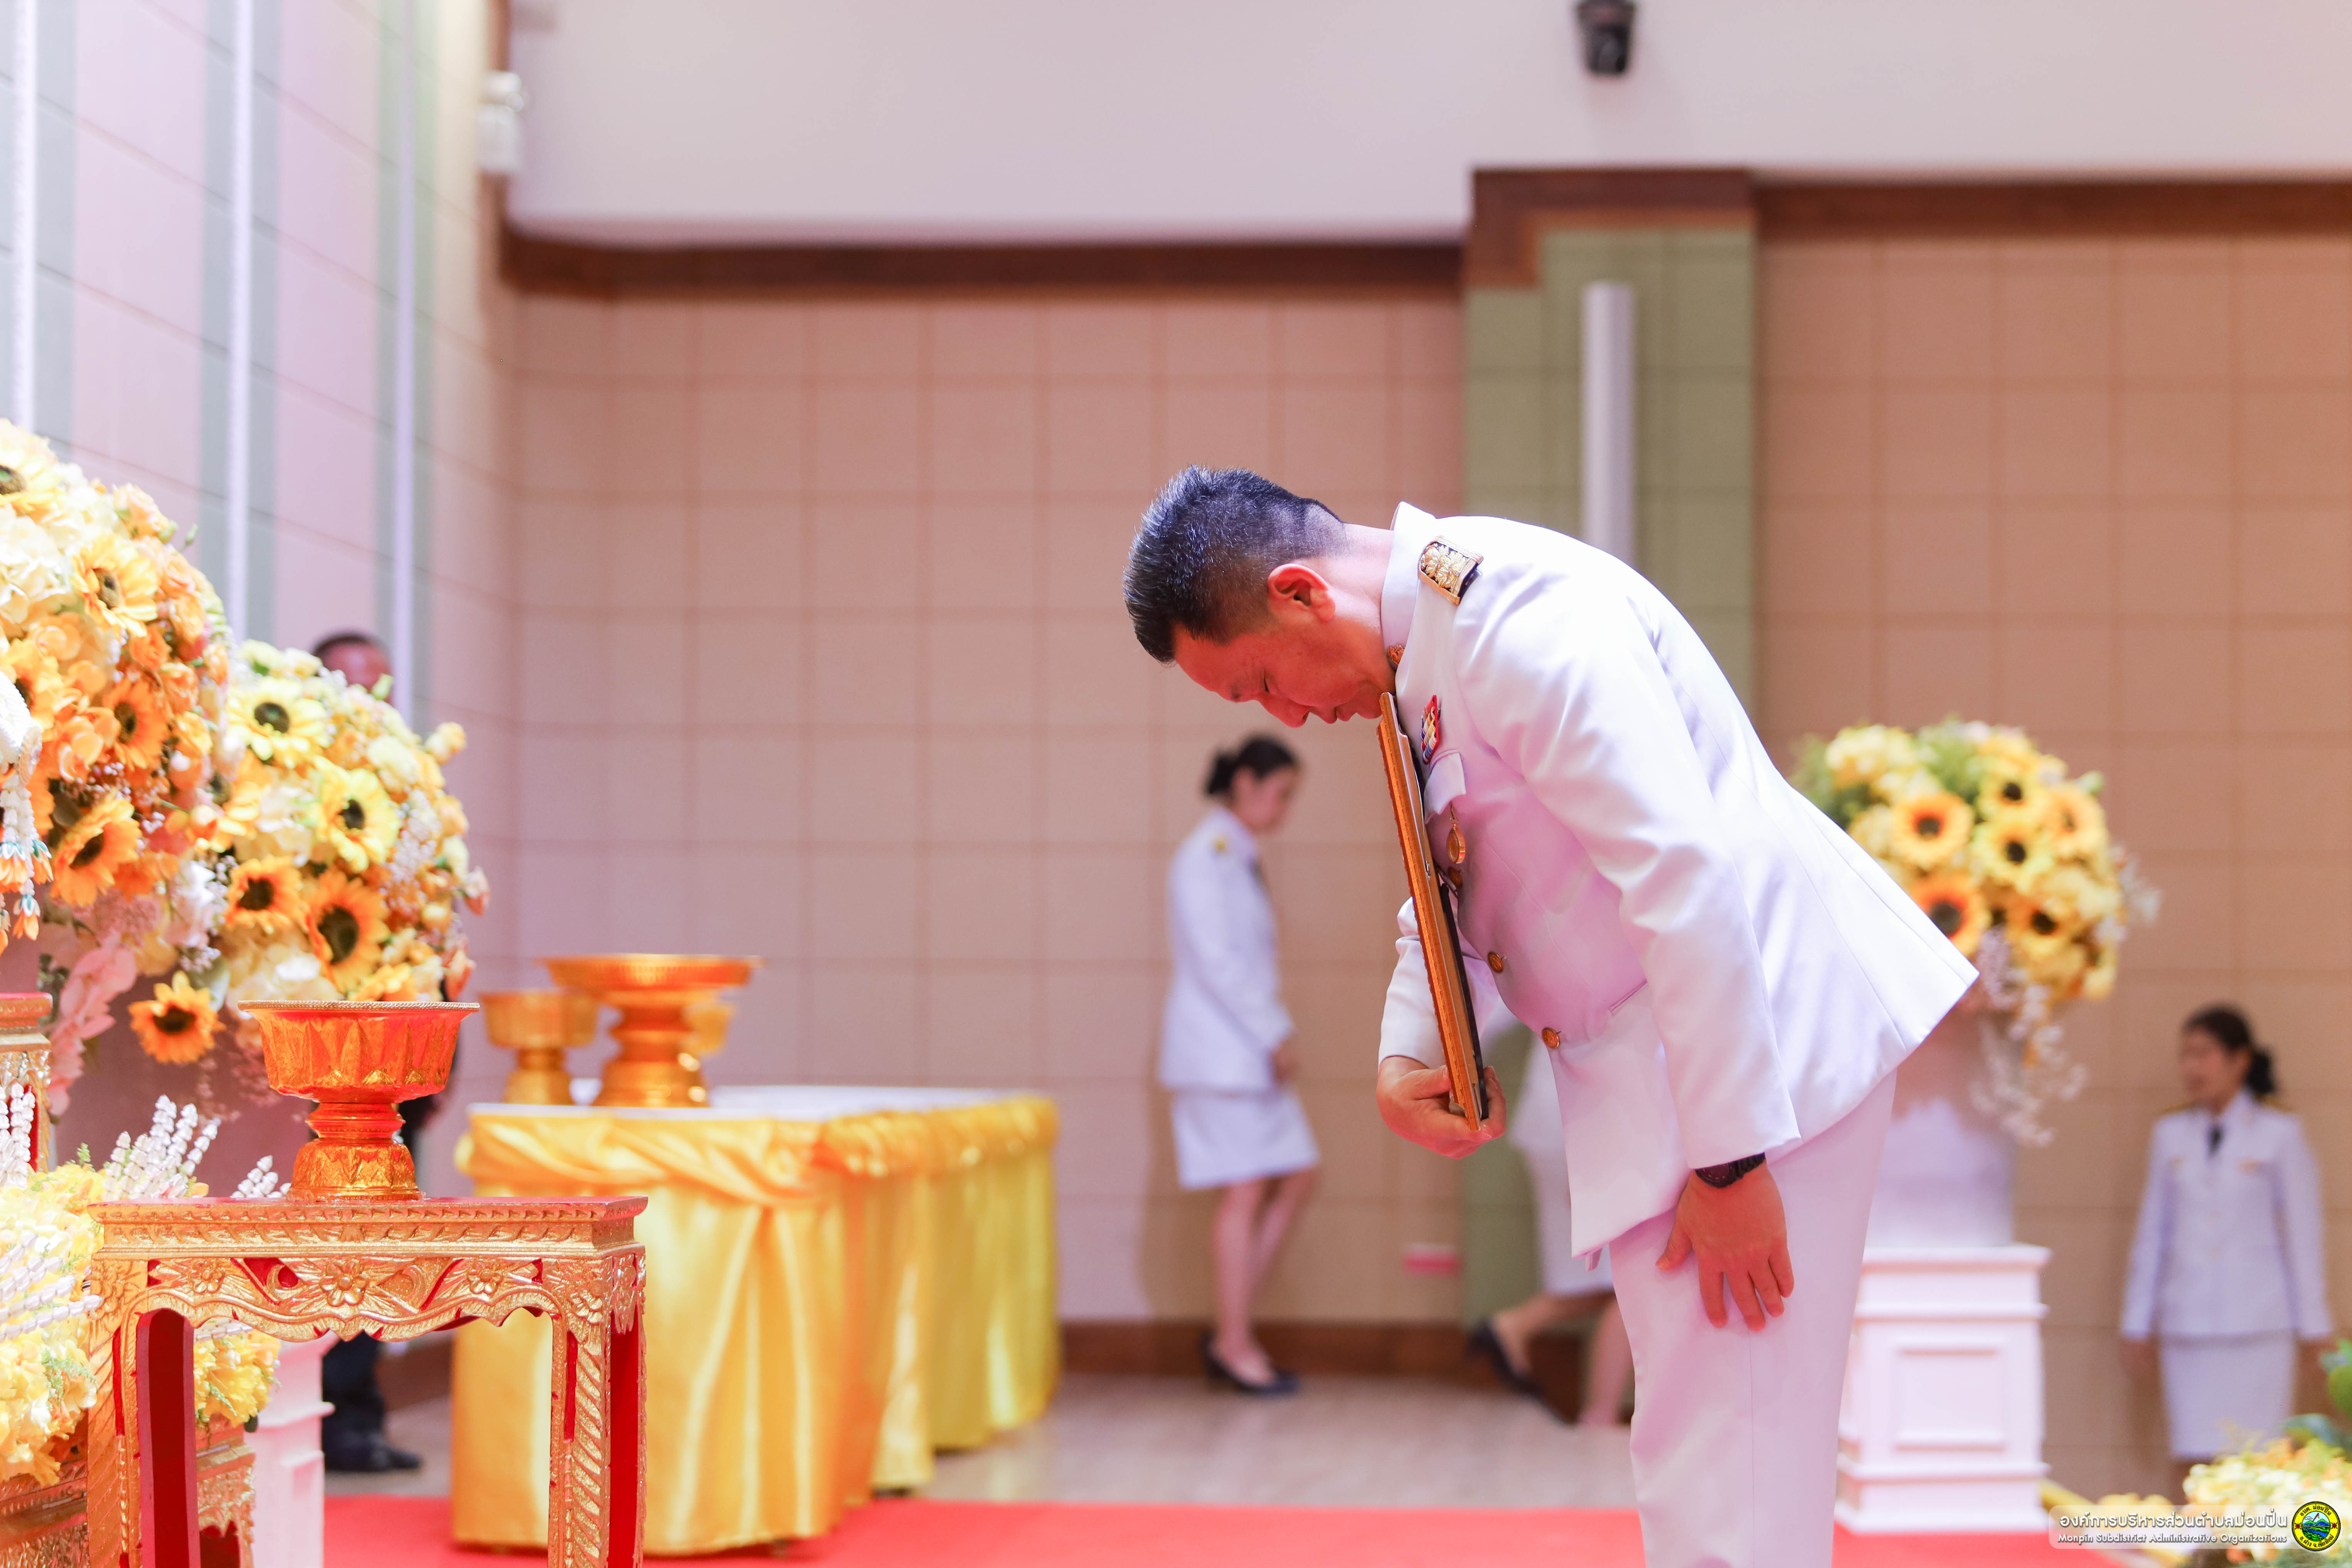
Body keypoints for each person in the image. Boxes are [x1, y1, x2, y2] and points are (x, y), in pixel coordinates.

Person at [1122, 468, 1974, 1568]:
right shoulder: (1427, 645)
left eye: (1260, 685)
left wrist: (1728, 1164)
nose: (1286, 716)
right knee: (1705, 1466)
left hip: (1759, 1070)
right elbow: (1461, 881)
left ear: (1298, 593)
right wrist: (1410, 1049)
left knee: (1735, 1474)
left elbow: (1679, 877)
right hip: (1680, 1069)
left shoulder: (1513, 621)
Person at [1160, 735, 1319, 1395]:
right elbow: (1218, 962)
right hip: (1218, 1053)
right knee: (1246, 1190)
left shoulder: (1236, 853)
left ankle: (1232, 1326)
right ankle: (1233, 1342)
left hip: (1242, 1052)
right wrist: (1274, 1033)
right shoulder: (1208, 854)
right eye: (1280, 793)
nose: (1283, 809)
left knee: (1297, 1173)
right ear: (1247, 783)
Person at [2121, 1004, 2333, 1475]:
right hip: (2187, 1324)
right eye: (2185, 1055)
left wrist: (2313, 1327)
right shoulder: (2169, 1133)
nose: (2191, 1067)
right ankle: (2197, 1530)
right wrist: (2136, 1320)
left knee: (2259, 1455)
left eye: (2204, 1054)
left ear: (2240, 1060)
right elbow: (2152, 1233)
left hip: (2259, 1324)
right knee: (2193, 1456)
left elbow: (2302, 1235)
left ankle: (2255, 1530)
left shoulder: (2279, 1132)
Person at [309, 629, 427, 1473]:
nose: (368, 701)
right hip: (307, 1051)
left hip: (391, 1048)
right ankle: (301, 1409)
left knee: (375, 1238)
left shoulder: (412, 795)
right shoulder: (286, 789)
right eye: (350, 686)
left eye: (380, 687)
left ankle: (356, 1415)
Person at [1471, 1033, 1637, 1427]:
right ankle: (1599, 1415)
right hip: (1582, 1126)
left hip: (1569, 1124)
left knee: (1617, 1277)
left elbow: (1484, 1015)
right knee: (1630, 1278)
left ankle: (1514, 1326)